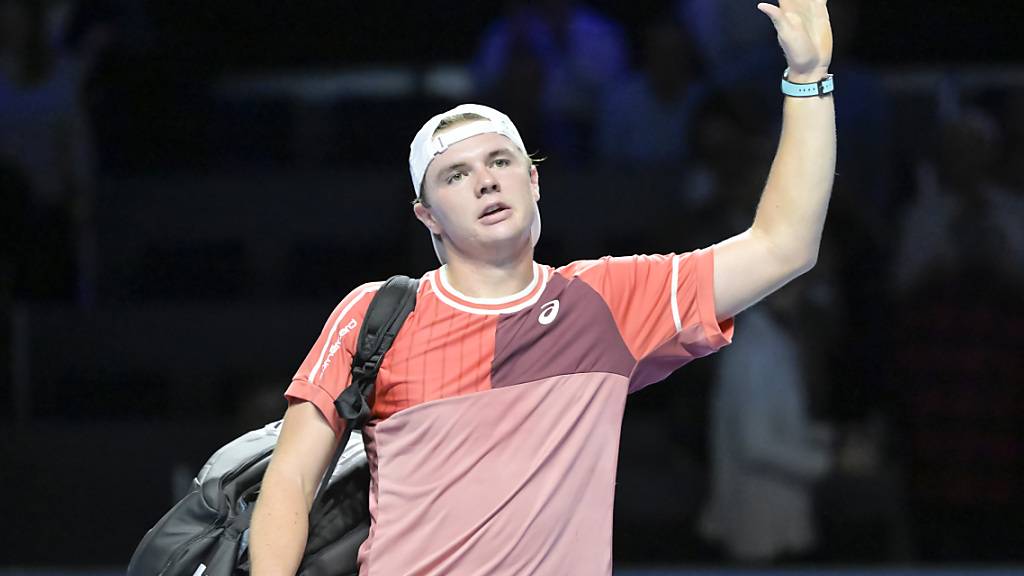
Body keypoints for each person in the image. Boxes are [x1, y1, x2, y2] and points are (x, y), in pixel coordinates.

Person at [250, 1, 837, 573]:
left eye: (501, 162)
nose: (485, 181)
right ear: (427, 215)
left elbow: (784, 245)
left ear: (533, 182)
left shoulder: (604, 303)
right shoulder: (376, 314)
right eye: (456, 175)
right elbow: (292, 481)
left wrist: (809, 79)